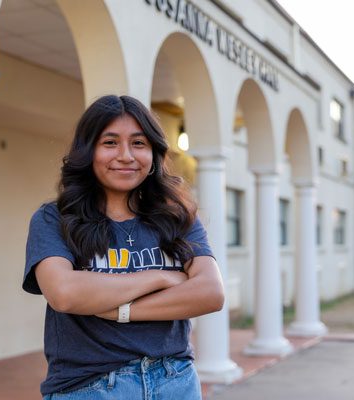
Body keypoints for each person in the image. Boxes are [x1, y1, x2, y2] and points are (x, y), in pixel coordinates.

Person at [22, 95, 224, 399]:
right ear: (88, 151)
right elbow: (65, 293)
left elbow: (210, 293)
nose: (126, 155)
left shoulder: (177, 217)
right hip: (90, 387)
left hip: (175, 380)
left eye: (139, 143)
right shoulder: (54, 219)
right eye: (110, 142)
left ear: (153, 153)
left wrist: (121, 311)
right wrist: (160, 277)